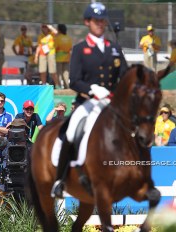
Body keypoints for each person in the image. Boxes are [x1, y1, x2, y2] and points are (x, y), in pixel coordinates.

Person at [51, 2, 128, 198]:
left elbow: (125, 76)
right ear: (87, 22)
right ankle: (60, 179)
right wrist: (93, 89)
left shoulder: (114, 48)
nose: (100, 24)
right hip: (88, 102)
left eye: (103, 20)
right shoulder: (79, 49)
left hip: (111, 103)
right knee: (70, 131)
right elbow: (74, 80)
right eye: (96, 20)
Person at [34, 24, 61, 88]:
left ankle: (57, 85)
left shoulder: (52, 34)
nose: (44, 28)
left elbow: (57, 33)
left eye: (45, 27)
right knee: (42, 70)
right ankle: (43, 85)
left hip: (50, 53)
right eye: (43, 27)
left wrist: (50, 27)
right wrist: (36, 56)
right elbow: (39, 46)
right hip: (42, 54)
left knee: (52, 71)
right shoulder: (40, 36)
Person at [54, 24, 73, 89]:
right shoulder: (68, 38)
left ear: (59, 30)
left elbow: (55, 47)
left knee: (59, 73)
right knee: (66, 73)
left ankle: (59, 86)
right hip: (67, 58)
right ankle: (66, 86)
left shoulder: (58, 38)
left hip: (59, 58)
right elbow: (70, 47)